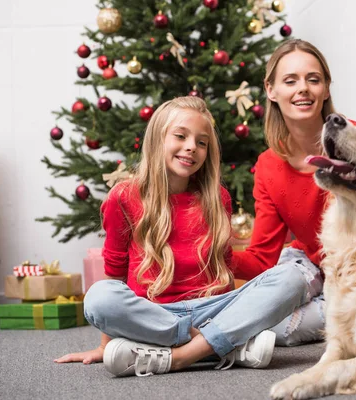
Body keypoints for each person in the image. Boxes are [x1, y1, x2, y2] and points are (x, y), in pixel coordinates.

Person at [55, 96, 315, 377]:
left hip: (213, 307)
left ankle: (179, 356)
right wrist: (105, 345)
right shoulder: (124, 196)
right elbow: (115, 272)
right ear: (157, 139)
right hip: (155, 314)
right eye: (181, 136)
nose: (191, 147)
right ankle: (219, 346)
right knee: (98, 298)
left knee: (292, 277)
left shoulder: (217, 198)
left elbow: (224, 267)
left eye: (202, 142)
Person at [232, 39, 341, 346]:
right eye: (290, 80)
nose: (302, 88)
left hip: (355, 267)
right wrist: (215, 251)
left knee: (274, 327)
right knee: (268, 289)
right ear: (271, 90)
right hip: (304, 263)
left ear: (326, 88)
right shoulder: (268, 166)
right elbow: (262, 258)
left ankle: (345, 314)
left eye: (313, 79)